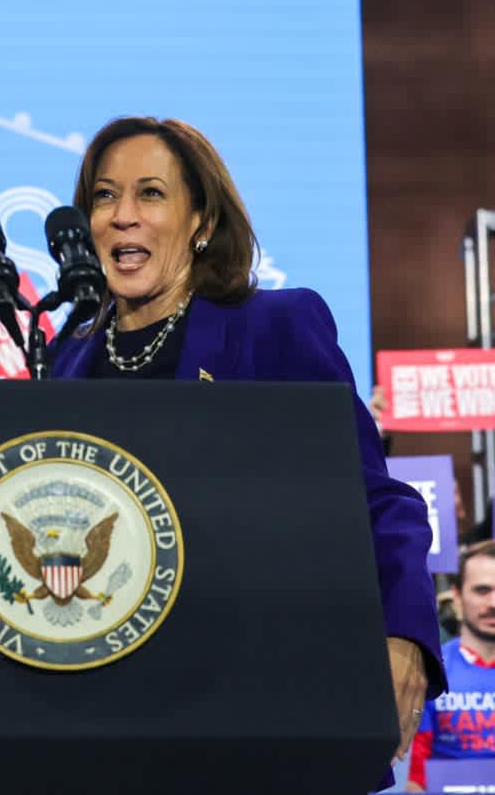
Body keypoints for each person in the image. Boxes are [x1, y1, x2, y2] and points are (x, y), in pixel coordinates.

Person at [49, 117, 445, 783]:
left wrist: (403, 636)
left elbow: (373, 496)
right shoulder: (67, 356)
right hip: (106, 708)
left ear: (201, 221)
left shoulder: (274, 326)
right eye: (103, 196)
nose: (121, 217)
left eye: (150, 194)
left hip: (252, 695)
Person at [408, 540, 495, 791]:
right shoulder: (428, 671)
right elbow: (414, 778)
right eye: (482, 590)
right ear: (456, 597)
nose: (493, 602)